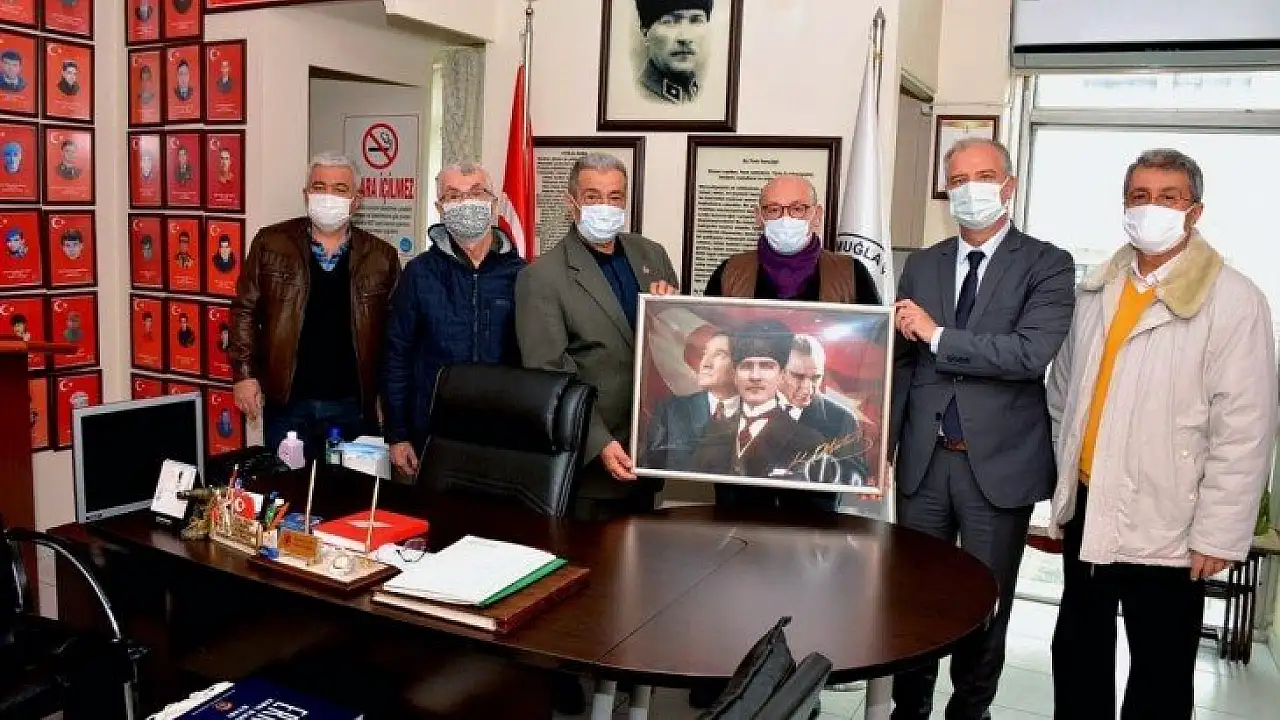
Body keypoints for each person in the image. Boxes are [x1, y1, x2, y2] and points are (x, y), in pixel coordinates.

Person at [1045, 149, 1276, 719]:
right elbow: (1064, 391)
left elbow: (1244, 429)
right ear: (1124, 205)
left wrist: (1218, 534)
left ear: (1195, 211)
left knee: (1161, 667)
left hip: (1170, 516)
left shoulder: (1234, 300)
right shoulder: (1096, 289)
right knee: (1078, 651)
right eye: (1140, 196)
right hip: (1091, 502)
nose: (1152, 208)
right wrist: (1063, 483)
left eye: (1169, 197)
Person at [889, 137, 1075, 720]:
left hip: (995, 465)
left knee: (985, 602)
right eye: (959, 179)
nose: (971, 189)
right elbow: (902, 362)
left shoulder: (1047, 263)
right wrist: (880, 448)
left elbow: (1028, 354)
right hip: (922, 461)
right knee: (912, 596)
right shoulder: (923, 263)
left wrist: (938, 335)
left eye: (985, 176)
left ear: (1009, 186)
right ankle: (908, 708)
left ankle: (971, 710)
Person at [702, 173, 878, 513]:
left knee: (811, 539)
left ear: (817, 214)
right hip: (739, 467)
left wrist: (873, 457)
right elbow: (715, 348)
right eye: (773, 209)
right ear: (758, 216)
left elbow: (876, 358)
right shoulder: (730, 272)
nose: (786, 218)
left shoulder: (851, 274)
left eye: (798, 209)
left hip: (818, 476)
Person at [516, 152, 679, 520]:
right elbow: (549, 372)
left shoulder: (651, 254)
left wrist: (671, 310)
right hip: (591, 463)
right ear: (571, 203)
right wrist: (599, 442)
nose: (605, 206)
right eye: (592, 197)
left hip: (650, 449)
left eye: (614, 196)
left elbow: (672, 344)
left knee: (647, 551)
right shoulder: (542, 277)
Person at [229, 151, 399, 460]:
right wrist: (244, 374)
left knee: (348, 489)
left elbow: (394, 337)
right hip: (288, 402)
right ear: (306, 195)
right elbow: (245, 310)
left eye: (340, 189)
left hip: (353, 405)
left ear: (357, 201)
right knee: (287, 486)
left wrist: (390, 404)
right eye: (319, 187)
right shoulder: (271, 243)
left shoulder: (382, 257)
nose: (328, 196)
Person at [383, 162, 524, 477]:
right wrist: (397, 434)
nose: (466, 203)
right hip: (432, 433)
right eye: (453, 196)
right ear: (440, 208)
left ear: (493, 203)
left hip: (501, 434)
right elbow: (397, 356)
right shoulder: (419, 273)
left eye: (476, 193)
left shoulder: (521, 275)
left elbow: (533, 360)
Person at [690, 321, 827, 481]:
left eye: (766, 366)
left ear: (781, 374)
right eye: (746, 366)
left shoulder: (809, 442)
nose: (755, 376)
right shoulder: (713, 431)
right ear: (735, 375)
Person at [642, 330, 737, 472]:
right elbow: (650, 467)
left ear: (739, 364)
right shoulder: (670, 410)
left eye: (719, 354)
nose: (706, 363)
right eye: (704, 354)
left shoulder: (759, 414)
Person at [635, 0, 710, 104]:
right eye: (669, 22)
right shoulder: (636, 97)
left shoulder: (707, 96)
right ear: (645, 32)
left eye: (696, 20)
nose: (685, 37)